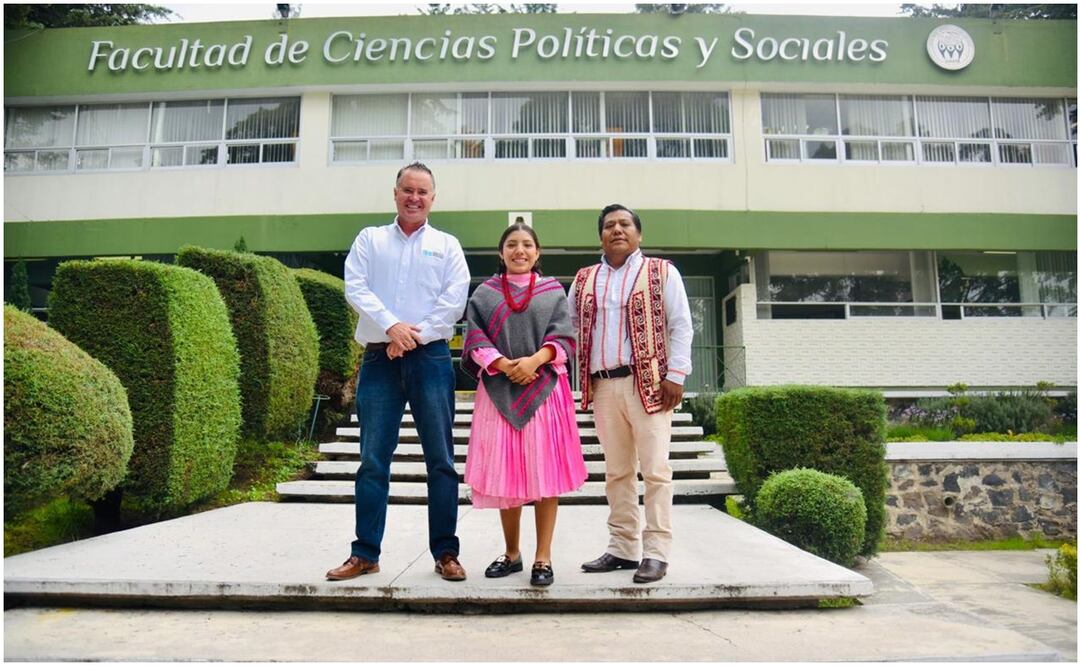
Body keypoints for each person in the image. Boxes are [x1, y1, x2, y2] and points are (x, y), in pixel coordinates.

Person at [327, 162, 471, 582]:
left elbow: (454, 300)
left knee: (441, 460)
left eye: (422, 192)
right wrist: (392, 327)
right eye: (408, 190)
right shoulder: (370, 239)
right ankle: (365, 553)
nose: (414, 198)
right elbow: (356, 287)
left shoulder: (447, 245)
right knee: (372, 460)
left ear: (433, 198)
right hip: (380, 360)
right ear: (395, 193)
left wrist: (411, 336)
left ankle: (446, 552)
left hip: (431, 360)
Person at [568, 204, 693, 584]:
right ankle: (622, 548)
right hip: (603, 385)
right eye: (609, 225)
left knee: (655, 471)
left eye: (625, 224)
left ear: (639, 234)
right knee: (617, 471)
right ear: (600, 236)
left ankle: (656, 553)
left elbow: (681, 324)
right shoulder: (584, 279)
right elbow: (569, 326)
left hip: (650, 384)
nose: (617, 230)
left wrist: (676, 375)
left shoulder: (661, 272)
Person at [462, 222, 588, 587]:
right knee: (507, 476)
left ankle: (543, 557)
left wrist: (533, 362)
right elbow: (474, 339)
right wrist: (503, 365)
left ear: (538, 252)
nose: (520, 250)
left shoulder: (553, 292)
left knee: (545, 475)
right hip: (497, 391)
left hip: (545, 390)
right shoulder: (485, 294)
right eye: (512, 244)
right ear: (501, 253)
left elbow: (565, 338)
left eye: (527, 244)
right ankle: (512, 553)